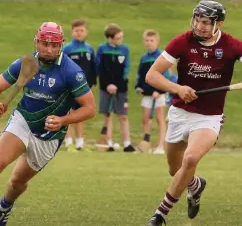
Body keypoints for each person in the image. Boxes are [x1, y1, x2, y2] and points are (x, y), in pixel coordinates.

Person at [0, 22, 96, 226]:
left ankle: (5, 206)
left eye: (55, 45)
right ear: (36, 41)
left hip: (50, 135)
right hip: (23, 121)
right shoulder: (25, 63)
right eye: (45, 44)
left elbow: (90, 108)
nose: (50, 50)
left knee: (18, 181)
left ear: (61, 45)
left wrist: (63, 121)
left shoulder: (72, 72)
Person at [145, 0, 242, 226]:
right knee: (175, 169)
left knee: (190, 160)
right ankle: (195, 185)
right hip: (180, 114)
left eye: (205, 22)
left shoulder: (232, 45)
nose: (199, 26)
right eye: (197, 20)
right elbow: (153, 75)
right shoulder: (183, 41)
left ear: (218, 24)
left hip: (209, 118)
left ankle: (160, 214)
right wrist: (178, 89)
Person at [96, 23, 136, 152]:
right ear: (110, 38)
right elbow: (100, 68)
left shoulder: (125, 49)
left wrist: (117, 85)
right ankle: (109, 143)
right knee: (108, 115)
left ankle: (127, 144)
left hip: (121, 87)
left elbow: (127, 68)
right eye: (118, 38)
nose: (120, 40)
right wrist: (108, 84)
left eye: (121, 37)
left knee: (123, 115)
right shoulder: (102, 49)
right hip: (105, 87)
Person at [135, 29, 171, 154]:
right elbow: (141, 74)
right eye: (147, 40)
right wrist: (138, 87)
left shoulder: (161, 56)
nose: (149, 43)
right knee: (145, 118)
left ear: (157, 42)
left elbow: (165, 75)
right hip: (147, 93)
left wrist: (159, 90)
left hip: (159, 94)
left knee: (159, 119)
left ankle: (161, 146)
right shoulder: (144, 58)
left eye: (152, 40)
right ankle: (146, 145)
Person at [63, 19, 97, 152]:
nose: (79, 33)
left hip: (84, 88)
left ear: (86, 32)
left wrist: (92, 84)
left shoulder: (89, 49)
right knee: (69, 113)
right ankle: (68, 141)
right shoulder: (67, 49)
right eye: (76, 31)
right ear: (72, 33)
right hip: (70, 87)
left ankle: (80, 143)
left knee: (82, 113)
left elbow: (93, 68)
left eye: (81, 30)